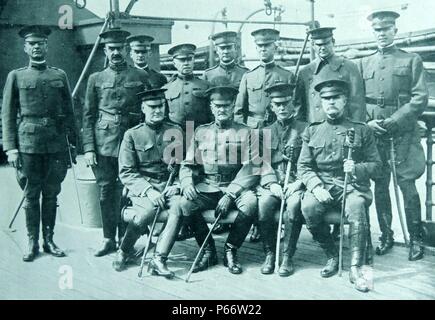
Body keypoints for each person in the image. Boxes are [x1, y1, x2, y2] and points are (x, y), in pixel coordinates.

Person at [177, 76, 276, 274]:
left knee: (250, 204)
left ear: (233, 106)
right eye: (217, 105)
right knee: (185, 204)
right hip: (208, 185)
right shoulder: (200, 132)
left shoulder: (246, 132)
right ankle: (208, 251)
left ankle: (231, 249)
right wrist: (187, 182)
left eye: (226, 105)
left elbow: (253, 166)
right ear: (211, 107)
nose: (222, 110)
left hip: (237, 186)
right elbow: (188, 164)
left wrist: (230, 193)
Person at [298, 76, 381, 292]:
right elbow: (304, 167)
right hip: (323, 184)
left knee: (356, 207)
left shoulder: (362, 130)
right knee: (307, 207)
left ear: (345, 100)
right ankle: (332, 255)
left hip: (352, 185)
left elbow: (377, 166)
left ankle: (356, 267)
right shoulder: (312, 130)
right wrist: (316, 186)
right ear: (322, 102)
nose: (331, 102)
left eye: (336, 98)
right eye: (326, 99)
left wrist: (357, 168)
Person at [1, 25, 77, 262]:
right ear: (26, 48)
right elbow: (7, 114)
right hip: (28, 145)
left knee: (52, 194)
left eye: (41, 43)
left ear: (47, 46)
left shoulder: (59, 75)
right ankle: (32, 242)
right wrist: (11, 148)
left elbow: (69, 113)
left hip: (55, 145)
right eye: (32, 44)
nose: (37, 47)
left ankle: (49, 240)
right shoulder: (16, 76)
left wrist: (72, 145)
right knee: (31, 194)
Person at [358, 11, 428, 260]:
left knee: (407, 185)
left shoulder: (411, 60)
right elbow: (357, 100)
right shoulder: (363, 63)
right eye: (377, 29)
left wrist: (395, 120)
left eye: (386, 29)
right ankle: (386, 235)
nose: (382, 33)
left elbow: (420, 98)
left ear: (395, 31)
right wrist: (369, 122)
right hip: (375, 134)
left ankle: (416, 240)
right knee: (380, 186)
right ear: (373, 32)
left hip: (403, 134)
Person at [82, 29, 151, 257]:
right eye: (111, 49)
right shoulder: (95, 79)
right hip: (104, 144)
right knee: (105, 192)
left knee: (129, 192)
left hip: (132, 143)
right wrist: (89, 148)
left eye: (119, 48)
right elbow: (88, 116)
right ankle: (108, 238)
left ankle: (127, 239)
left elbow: (148, 113)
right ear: (105, 50)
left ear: (126, 50)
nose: (116, 52)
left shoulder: (140, 77)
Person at [113, 88, 184, 278]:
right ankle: (124, 250)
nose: (157, 110)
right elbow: (126, 172)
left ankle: (159, 259)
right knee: (147, 211)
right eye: (152, 107)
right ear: (143, 108)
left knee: (179, 208)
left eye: (161, 106)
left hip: (170, 187)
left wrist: (177, 184)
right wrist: (149, 191)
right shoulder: (132, 135)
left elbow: (183, 165)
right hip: (144, 188)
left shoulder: (175, 131)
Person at [256, 82, 308, 275]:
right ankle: (270, 253)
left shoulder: (305, 129)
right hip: (274, 183)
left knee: (293, 207)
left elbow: (311, 162)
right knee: (263, 206)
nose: (282, 108)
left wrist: (299, 183)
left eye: (286, 103)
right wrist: (271, 183)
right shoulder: (265, 132)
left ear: (293, 104)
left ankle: (287, 255)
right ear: (272, 107)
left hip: (296, 183)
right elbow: (260, 162)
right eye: (277, 104)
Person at [162, 43, 212, 241]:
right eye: (182, 60)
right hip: (176, 140)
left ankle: (194, 221)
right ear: (174, 62)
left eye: (189, 59)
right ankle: (181, 225)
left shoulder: (204, 87)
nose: (186, 63)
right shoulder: (167, 88)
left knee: (197, 180)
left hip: (199, 140)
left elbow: (210, 118)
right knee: (177, 179)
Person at [203, 31, 249, 235]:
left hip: (240, 130)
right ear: (217, 50)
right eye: (222, 48)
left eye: (230, 47)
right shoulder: (208, 75)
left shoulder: (245, 73)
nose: (226, 51)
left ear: (236, 49)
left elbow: (244, 106)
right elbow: (208, 108)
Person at [294, 27, 366, 123]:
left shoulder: (349, 67)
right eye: (319, 44)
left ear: (333, 42)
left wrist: (357, 130)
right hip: (314, 130)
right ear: (312, 45)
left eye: (326, 43)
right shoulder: (305, 72)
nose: (322, 48)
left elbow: (357, 104)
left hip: (344, 128)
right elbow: (299, 108)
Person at [234, 28, 295, 129]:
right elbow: (238, 110)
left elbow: (294, 107)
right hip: (254, 128)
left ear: (275, 47)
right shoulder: (248, 77)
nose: (263, 49)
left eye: (267, 45)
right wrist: (242, 130)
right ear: (256, 48)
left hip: (279, 126)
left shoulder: (287, 76)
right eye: (260, 46)